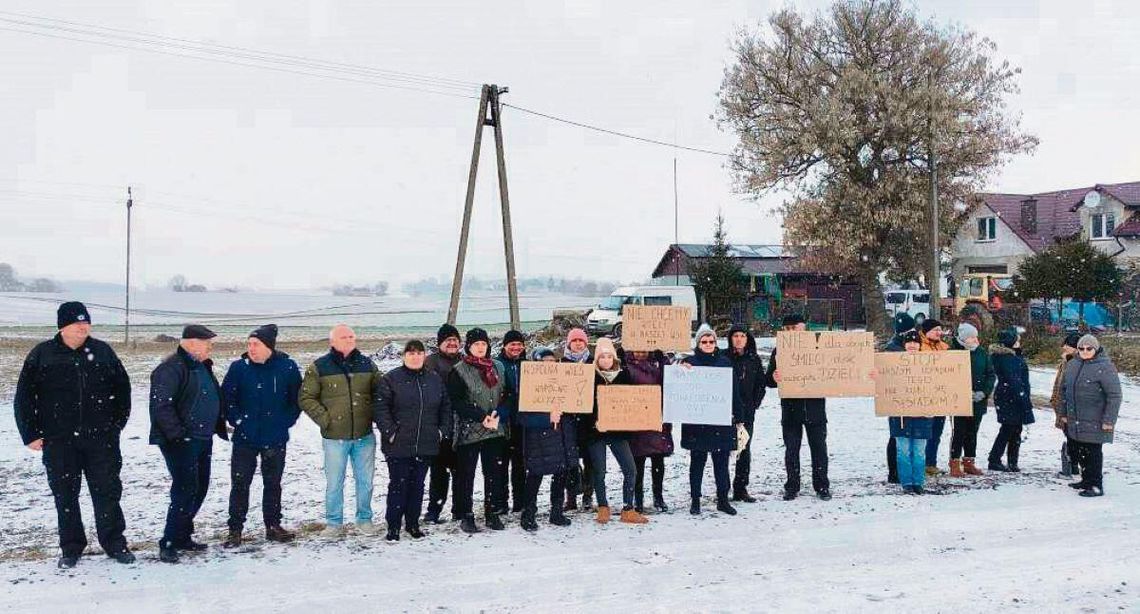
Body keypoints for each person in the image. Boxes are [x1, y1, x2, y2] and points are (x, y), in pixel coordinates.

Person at [14, 301, 134, 568]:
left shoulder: (102, 352)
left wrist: (114, 427)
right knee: (65, 495)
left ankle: (114, 543)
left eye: (86, 322)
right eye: (77, 323)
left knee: (107, 492)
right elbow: (24, 397)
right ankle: (71, 547)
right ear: (63, 327)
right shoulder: (42, 355)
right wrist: (30, 433)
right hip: (59, 441)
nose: (83, 327)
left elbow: (122, 391)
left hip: (100, 440)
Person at [150, 324, 230, 563]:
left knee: (199, 488)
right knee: (185, 490)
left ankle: (183, 535)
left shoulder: (201, 366)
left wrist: (218, 422)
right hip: (181, 441)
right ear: (192, 342)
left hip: (203, 438)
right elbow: (161, 406)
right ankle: (169, 542)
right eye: (208, 343)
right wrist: (178, 435)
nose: (210, 347)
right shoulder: (171, 368)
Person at [220, 324, 303, 548]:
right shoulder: (239, 368)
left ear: (269, 347)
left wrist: (285, 421)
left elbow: (297, 399)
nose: (251, 348)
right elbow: (227, 398)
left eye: (255, 344)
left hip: (275, 437)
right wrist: (237, 420)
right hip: (245, 438)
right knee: (240, 483)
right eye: (249, 344)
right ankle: (235, 529)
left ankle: (273, 526)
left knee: (273, 483)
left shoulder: (287, 367)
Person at [301, 324, 381, 538]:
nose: (349, 340)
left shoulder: (367, 364)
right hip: (334, 437)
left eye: (351, 336)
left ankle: (364, 519)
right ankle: (334, 523)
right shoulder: (319, 367)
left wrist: (373, 415)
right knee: (335, 482)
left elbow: (381, 392)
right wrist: (325, 419)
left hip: (364, 436)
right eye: (343, 337)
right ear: (332, 342)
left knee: (365, 481)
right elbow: (306, 397)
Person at [374, 340, 453, 540]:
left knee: (417, 485)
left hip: (426, 443)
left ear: (424, 355)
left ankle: (412, 523)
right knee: (398, 485)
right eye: (411, 353)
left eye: (419, 353)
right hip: (399, 444)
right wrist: (390, 431)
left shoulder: (434, 379)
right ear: (404, 356)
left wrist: (441, 432)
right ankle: (393, 526)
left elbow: (445, 407)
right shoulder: (392, 379)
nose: (415, 356)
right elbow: (381, 408)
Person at [447, 327, 509, 533]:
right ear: (469, 347)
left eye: (483, 344)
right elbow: (457, 401)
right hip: (470, 430)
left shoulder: (498, 367)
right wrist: (480, 416)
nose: (480, 348)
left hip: (495, 429)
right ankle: (466, 514)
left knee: (493, 473)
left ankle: (492, 512)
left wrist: (498, 413)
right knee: (467, 475)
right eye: (476, 344)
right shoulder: (459, 370)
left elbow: (507, 394)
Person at [767, 314, 831, 501]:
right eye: (787, 329)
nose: (791, 332)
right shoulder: (779, 351)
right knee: (792, 450)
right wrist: (774, 377)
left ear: (804, 328)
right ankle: (792, 486)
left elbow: (834, 374)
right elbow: (768, 380)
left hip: (815, 409)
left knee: (819, 449)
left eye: (795, 328)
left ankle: (822, 486)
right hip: (791, 410)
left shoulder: (819, 348)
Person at [585, 338, 646, 525]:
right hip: (596, 432)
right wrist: (594, 421)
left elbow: (632, 402)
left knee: (630, 469)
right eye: (602, 356)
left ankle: (628, 508)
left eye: (609, 356)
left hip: (618, 431)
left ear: (614, 358)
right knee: (600, 471)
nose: (605, 359)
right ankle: (603, 506)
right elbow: (583, 406)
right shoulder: (589, 378)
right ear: (597, 359)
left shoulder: (624, 376)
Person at [515, 349, 577, 531]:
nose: (549, 365)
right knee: (535, 475)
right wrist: (546, 419)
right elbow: (522, 417)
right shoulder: (528, 385)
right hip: (538, 438)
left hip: (562, 436)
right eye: (545, 361)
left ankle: (556, 511)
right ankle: (528, 513)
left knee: (560, 473)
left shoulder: (563, 382)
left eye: (552, 361)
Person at [683, 324, 739, 516]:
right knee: (697, 463)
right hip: (697, 423)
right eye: (704, 341)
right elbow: (677, 386)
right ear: (698, 343)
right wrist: (681, 369)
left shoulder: (725, 363)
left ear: (716, 343)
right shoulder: (688, 363)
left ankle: (723, 499)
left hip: (720, 422)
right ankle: (695, 500)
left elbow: (734, 391)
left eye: (711, 341)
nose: (708, 344)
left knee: (721, 464)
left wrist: (737, 415)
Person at [1059, 334, 1122, 497]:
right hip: (1075, 418)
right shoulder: (1072, 364)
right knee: (1079, 450)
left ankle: (1096, 485)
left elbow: (1114, 395)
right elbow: (1064, 391)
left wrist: (1109, 420)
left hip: (1096, 419)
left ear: (1096, 349)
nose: (1085, 351)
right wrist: (1064, 413)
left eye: (1089, 348)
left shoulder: (1105, 367)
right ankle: (1086, 480)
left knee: (1093, 453)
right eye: (1081, 348)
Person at [424, 323, 463, 524]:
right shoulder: (429, 363)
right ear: (440, 343)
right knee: (439, 471)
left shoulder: (465, 362)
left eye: (455, 340)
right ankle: (434, 510)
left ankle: (459, 509)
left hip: (462, 424)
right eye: (448, 340)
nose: (452, 343)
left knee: (461, 470)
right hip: (438, 423)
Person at [627, 349, 673, 513]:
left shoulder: (659, 362)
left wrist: (664, 362)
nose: (640, 353)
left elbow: (671, 380)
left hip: (657, 417)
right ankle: (637, 499)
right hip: (635, 419)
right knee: (637, 463)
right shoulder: (626, 365)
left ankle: (658, 496)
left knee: (658, 461)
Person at [888, 330, 934, 494]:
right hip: (901, 415)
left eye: (915, 342)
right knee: (903, 450)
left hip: (923, 415)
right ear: (904, 345)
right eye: (909, 342)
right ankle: (907, 482)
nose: (912, 345)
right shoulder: (893, 363)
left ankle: (918, 482)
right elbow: (885, 382)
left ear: (920, 345)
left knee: (919, 451)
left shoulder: (929, 364)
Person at [948, 322, 995, 478]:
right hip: (960, 401)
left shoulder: (982, 353)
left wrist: (984, 392)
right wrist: (961, 392)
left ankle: (969, 462)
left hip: (978, 401)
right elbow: (948, 377)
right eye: (971, 337)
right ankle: (954, 462)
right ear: (963, 338)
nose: (975, 340)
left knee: (972, 432)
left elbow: (990, 375)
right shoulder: (954, 353)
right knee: (959, 432)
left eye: (976, 336)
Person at [727, 324, 766, 502]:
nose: (739, 339)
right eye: (735, 336)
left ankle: (741, 488)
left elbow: (761, 384)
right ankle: (723, 489)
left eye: (742, 336)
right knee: (724, 451)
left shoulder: (753, 359)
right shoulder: (724, 358)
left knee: (744, 450)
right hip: (725, 411)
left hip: (747, 412)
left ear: (747, 338)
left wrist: (754, 403)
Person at [987, 327, 1034, 472]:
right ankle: (997, 459)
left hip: (1008, 396)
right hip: (1011, 397)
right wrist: (1023, 398)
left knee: (1013, 429)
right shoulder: (1008, 358)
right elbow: (1014, 380)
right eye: (1017, 340)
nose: (1019, 342)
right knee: (1009, 429)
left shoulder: (1009, 356)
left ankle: (1011, 461)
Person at [560, 327, 594, 511]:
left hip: (589, 420)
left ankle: (588, 495)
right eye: (574, 341)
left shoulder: (593, 362)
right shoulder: (562, 364)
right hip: (569, 420)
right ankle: (571, 497)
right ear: (569, 344)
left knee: (590, 460)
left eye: (581, 341)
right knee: (570, 460)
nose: (578, 344)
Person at [498, 329, 528, 515]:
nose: (516, 347)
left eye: (519, 344)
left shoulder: (529, 365)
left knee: (520, 464)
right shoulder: (498, 364)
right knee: (501, 464)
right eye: (512, 344)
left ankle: (520, 501)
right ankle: (501, 502)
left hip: (522, 420)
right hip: (503, 421)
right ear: (505, 346)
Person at [885, 312, 915, 484]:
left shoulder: (903, 345)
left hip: (911, 395)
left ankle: (904, 469)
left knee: (908, 434)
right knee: (896, 435)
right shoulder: (894, 348)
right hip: (897, 397)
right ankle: (894, 471)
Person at [918, 319, 951, 476]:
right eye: (935, 330)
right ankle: (920, 463)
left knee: (936, 432)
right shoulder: (918, 347)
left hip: (941, 397)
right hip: (924, 397)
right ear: (926, 331)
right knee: (924, 432)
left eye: (940, 329)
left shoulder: (944, 348)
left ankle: (931, 463)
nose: (939, 332)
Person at [1051, 333, 1083, 479]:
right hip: (1063, 404)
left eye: (1067, 345)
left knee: (1074, 437)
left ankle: (1073, 465)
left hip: (1072, 406)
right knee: (1070, 435)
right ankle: (1073, 464)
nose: (1064, 347)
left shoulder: (1076, 363)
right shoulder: (1067, 360)